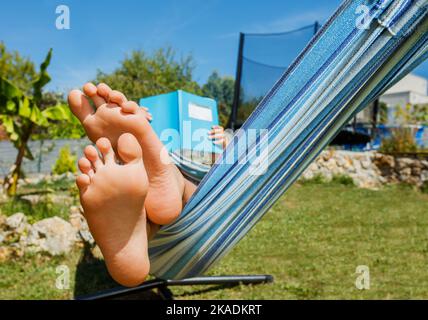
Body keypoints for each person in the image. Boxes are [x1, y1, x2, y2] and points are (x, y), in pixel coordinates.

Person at [68, 83, 218, 287]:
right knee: (147, 196)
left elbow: (242, 159)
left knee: (177, 180)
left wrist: (226, 142)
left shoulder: (224, 138)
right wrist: (144, 122)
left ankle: (165, 181)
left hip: (201, 184)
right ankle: (136, 233)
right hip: (165, 184)